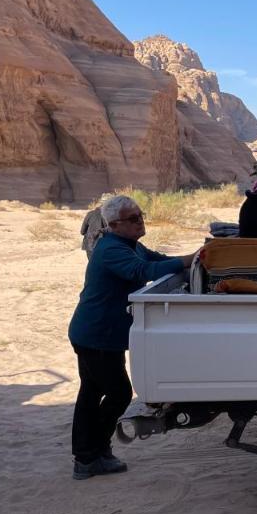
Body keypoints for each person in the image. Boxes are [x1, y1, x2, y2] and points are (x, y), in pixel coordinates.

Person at [67, 195, 195, 480]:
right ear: (114, 224)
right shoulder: (112, 249)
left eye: (141, 215)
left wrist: (188, 260)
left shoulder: (129, 244)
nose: (141, 222)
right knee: (118, 393)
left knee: (91, 393)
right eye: (134, 219)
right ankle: (91, 455)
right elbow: (144, 271)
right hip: (97, 334)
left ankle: (89, 456)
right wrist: (188, 260)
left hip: (99, 333)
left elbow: (156, 259)